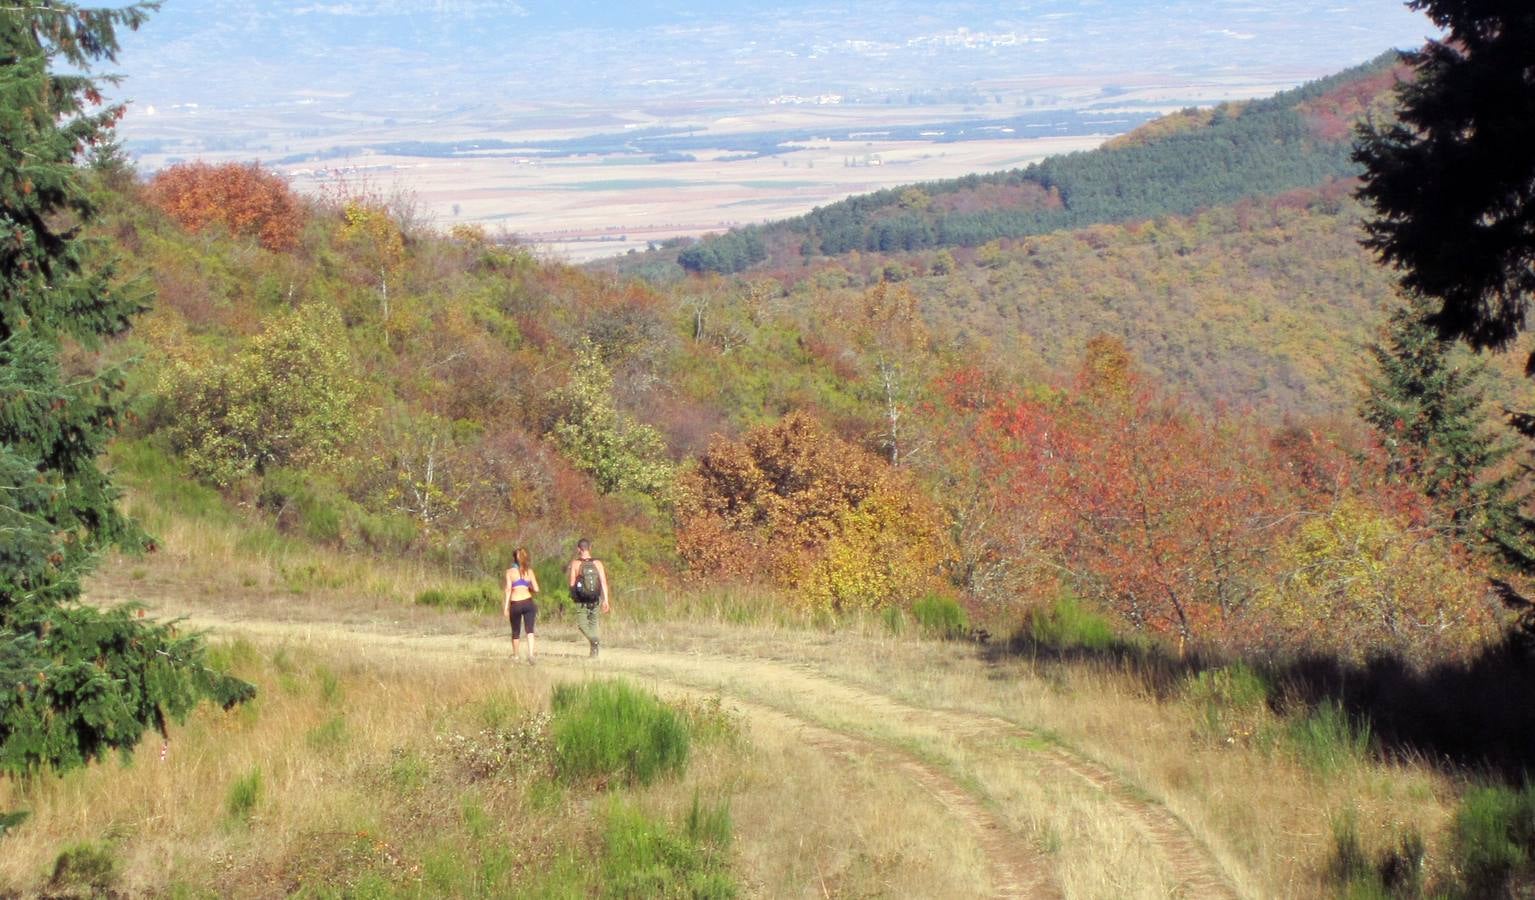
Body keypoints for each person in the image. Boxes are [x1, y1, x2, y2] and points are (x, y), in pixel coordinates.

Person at [567, 538, 610, 658]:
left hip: (581, 600)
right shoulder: (598, 563)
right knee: (593, 623)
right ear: (590, 548)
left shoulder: (576, 563)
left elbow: (572, 583)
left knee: (582, 625)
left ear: (578, 549)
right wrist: (606, 600)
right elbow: (603, 582)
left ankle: (594, 641)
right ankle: (594, 651)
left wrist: (573, 597)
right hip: (595, 599)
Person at [503, 547, 540, 665]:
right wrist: (528, 588)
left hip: (516, 603)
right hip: (528, 602)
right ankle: (531, 654)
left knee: (515, 631)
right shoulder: (529, 571)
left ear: (514, 558)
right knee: (530, 630)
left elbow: (508, 589)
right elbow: (536, 589)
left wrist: (506, 607)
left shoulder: (509, 572)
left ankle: (516, 655)